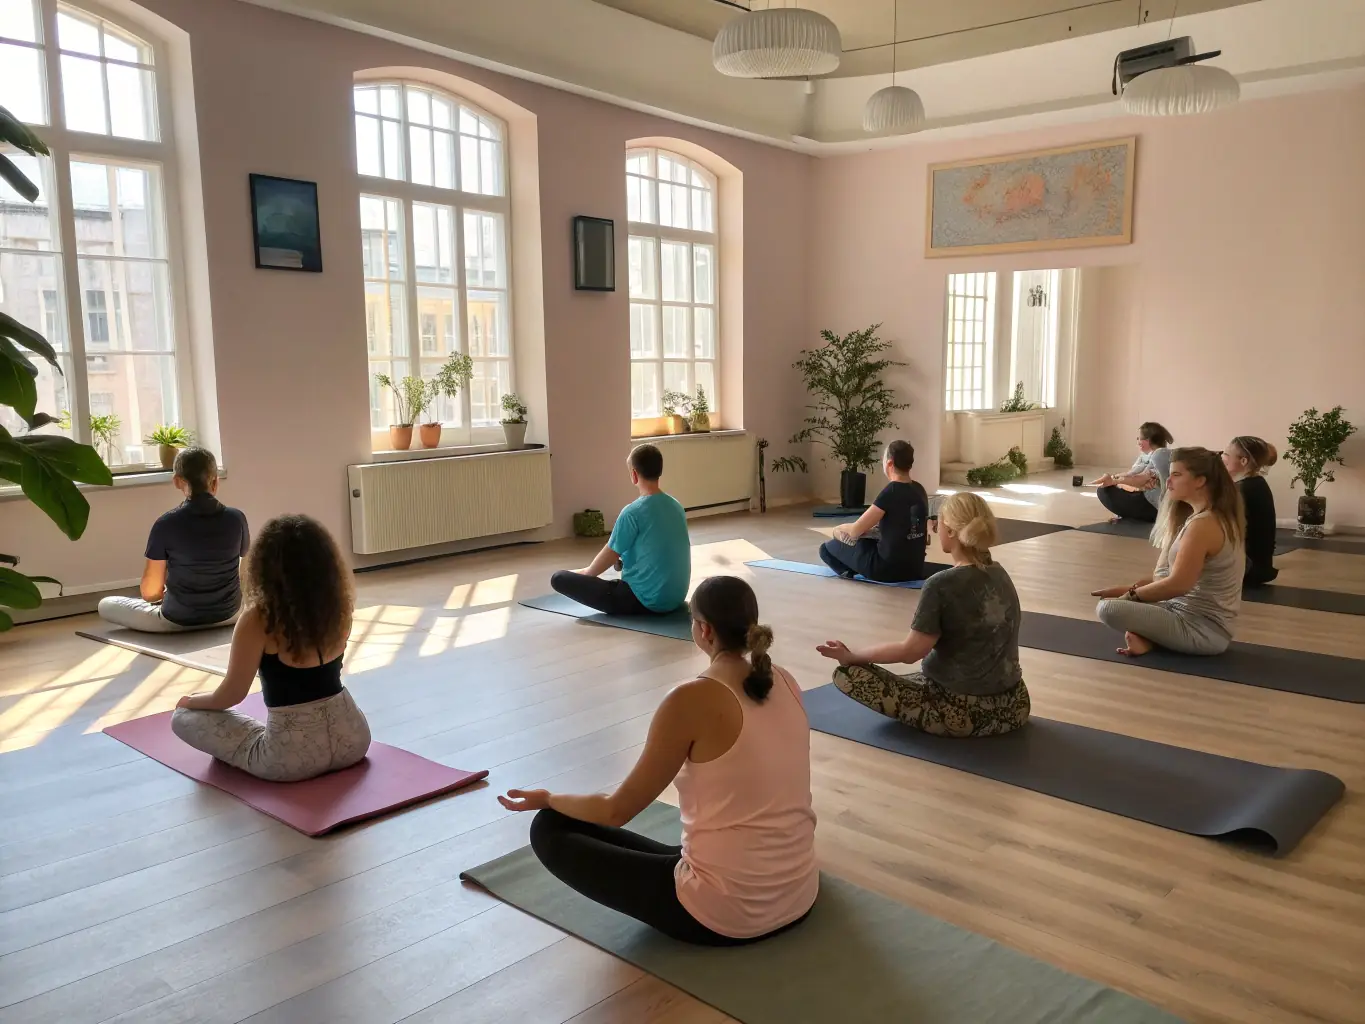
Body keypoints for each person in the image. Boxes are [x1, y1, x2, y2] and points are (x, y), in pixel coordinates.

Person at [498, 575, 817, 945]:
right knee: (648, 843)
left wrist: (549, 799)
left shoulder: (691, 699)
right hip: (799, 890)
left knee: (549, 828)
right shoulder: (785, 680)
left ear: (703, 629)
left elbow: (616, 811)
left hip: (729, 915)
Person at [170, 514, 370, 782]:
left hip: (291, 759)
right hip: (354, 741)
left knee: (183, 717)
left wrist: (191, 702)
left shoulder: (258, 619)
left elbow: (232, 694)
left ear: (264, 568)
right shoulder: (340, 608)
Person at [816, 493, 1030, 737]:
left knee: (848, 675)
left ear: (949, 530)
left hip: (963, 713)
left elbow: (911, 653)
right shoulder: (1001, 574)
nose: (935, 529)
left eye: (937, 524)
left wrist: (852, 656)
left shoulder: (941, 584)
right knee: (915, 677)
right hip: (1015, 705)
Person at [1092, 447, 1244, 657]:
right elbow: (1164, 576)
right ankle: (1150, 640)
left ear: (1200, 480)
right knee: (1111, 604)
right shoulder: (1199, 517)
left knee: (1107, 610)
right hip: (1178, 613)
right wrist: (1129, 588)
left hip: (1203, 631)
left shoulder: (1204, 525)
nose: (1168, 481)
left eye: (1176, 475)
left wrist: (1131, 596)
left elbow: (1178, 585)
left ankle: (1151, 640)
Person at [98, 447, 249, 632]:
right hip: (230, 615)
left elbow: (151, 593)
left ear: (177, 481)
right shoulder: (237, 518)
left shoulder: (165, 524)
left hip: (177, 620)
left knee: (106, 604)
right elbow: (244, 574)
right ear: (215, 482)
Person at [551, 444, 691, 616]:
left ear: (634, 475)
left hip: (643, 602)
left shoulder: (632, 512)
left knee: (559, 578)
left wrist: (578, 574)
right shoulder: (676, 506)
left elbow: (599, 565)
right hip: (675, 598)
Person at [818, 440, 929, 582]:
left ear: (889, 463)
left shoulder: (891, 491)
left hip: (887, 570)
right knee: (865, 543)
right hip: (915, 568)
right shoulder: (920, 490)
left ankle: (850, 570)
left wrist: (836, 530)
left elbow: (854, 531)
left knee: (826, 549)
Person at [1090, 422, 1175, 524]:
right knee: (1108, 488)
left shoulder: (1160, 455)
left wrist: (1115, 481)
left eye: (1139, 438)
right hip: (1148, 498)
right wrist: (1115, 479)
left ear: (1147, 441)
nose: (1137, 441)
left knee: (1103, 491)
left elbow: (1142, 478)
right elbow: (1132, 475)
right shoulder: (1145, 456)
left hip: (1154, 505)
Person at [1222, 436, 1279, 587]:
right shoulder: (1256, 483)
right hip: (1258, 566)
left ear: (1243, 461)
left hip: (1249, 568)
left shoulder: (1244, 490)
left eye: (1227, 455)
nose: (1223, 458)